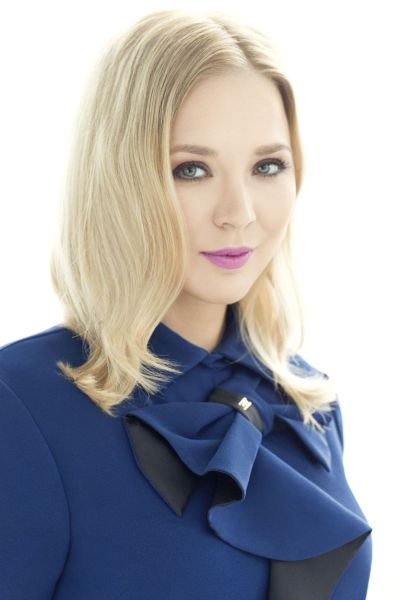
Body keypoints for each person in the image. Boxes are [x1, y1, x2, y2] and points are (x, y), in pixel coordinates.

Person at [0, 8, 373, 600]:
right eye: (191, 169)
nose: (239, 212)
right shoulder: (20, 403)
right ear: (119, 180)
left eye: (267, 166)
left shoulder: (308, 403)